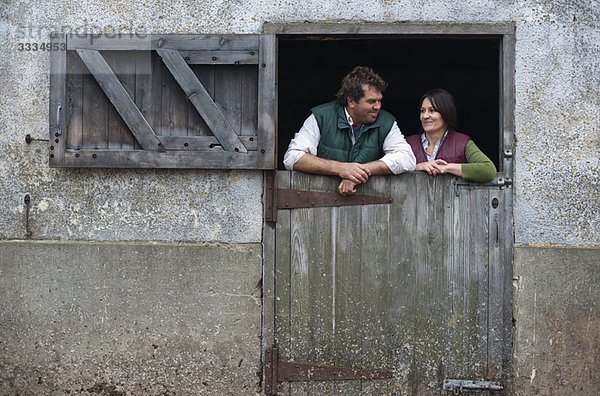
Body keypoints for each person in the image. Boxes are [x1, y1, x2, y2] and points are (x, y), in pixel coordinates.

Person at [283, 66, 416, 196]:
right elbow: (292, 157)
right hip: (322, 205)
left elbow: (407, 158)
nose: (377, 107)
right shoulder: (321, 117)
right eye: (371, 101)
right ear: (351, 101)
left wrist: (360, 171)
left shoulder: (386, 121)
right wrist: (341, 169)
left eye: (379, 101)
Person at [406, 89, 497, 182]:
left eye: (432, 110)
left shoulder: (462, 143)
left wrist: (447, 167)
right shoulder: (407, 143)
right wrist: (418, 167)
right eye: (422, 111)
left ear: (446, 113)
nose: (425, 116)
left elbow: (488, 170)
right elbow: (392, 169)